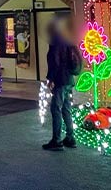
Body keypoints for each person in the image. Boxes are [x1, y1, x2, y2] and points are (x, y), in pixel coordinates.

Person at [43, 16, 83, 151]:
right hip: (69, 80)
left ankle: (57, 139)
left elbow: (55, 62)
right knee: (66, 109)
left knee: (56, 108)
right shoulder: (66, 40)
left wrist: (51, 79)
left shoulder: (56, 42)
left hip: (60, 80)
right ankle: (70, 138)